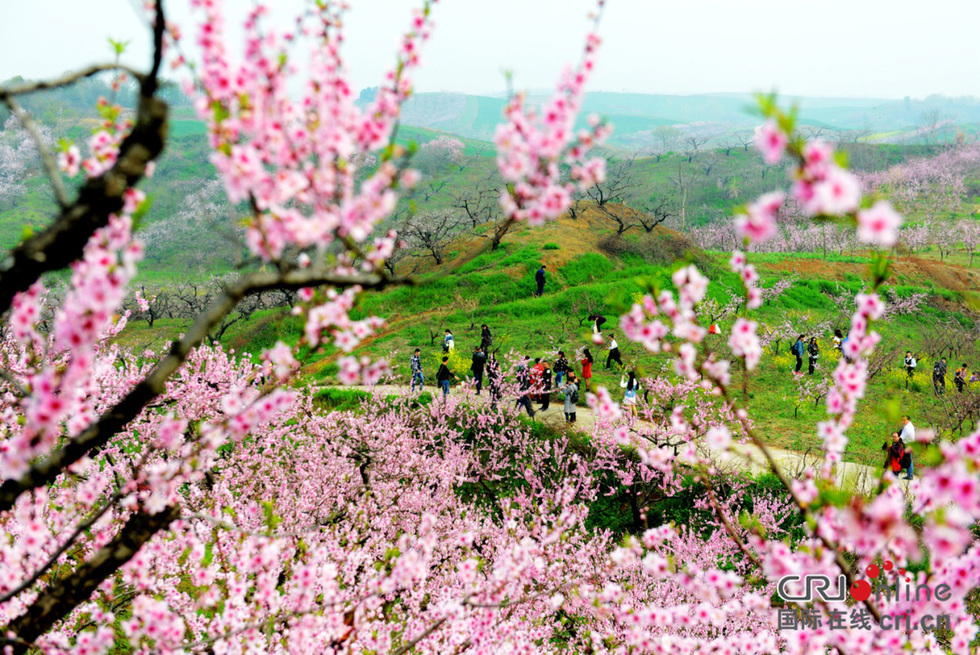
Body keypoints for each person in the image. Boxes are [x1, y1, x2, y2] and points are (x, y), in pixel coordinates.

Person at [899, 415, 916, 480]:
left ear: (908, 420)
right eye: (902, 420)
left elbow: (901, 438)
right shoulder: (910, 425)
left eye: (904, 420)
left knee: (908, 460)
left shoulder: (907, 428)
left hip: (908, 445)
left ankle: (910, 475)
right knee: (909, 459)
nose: (903, 421)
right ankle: (909, 474)